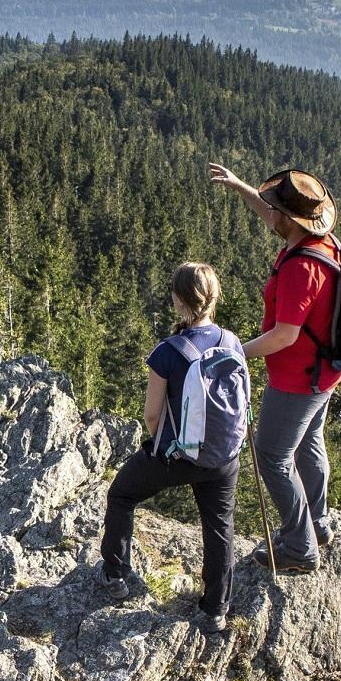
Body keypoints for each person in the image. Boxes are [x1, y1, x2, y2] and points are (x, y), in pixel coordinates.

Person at [208, 164, 341, 575]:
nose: (270, 215)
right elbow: (271, 215)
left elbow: (285, 335)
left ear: (289, 219)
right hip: (323, 372)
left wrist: (233, 352)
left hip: (297, 379)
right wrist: (239, 186)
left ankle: (300, 547)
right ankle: (316, 523)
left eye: (275, 210)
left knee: (272, 455)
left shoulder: (302, 267)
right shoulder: (321, 242)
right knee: (308, 442)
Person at [99, 262, 244, 634]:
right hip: (224, 456)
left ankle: (116, 574)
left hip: (178, 456)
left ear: (178, 301)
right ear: (214, 297)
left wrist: (165, 448)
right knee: (218, 527)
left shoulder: (168, 351)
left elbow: (151, 416)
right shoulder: (232, 342)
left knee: (121, 494)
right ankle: (215, 610)